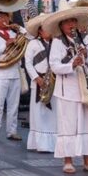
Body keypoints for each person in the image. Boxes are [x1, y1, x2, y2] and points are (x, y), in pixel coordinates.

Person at [46, 0, 88, 174]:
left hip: (87, 87)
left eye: (73, 21)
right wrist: (72, 65)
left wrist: (86, 55)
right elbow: (54, 66)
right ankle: (68, 160)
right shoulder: (58, 42)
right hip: (68, 88)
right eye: (67, 22)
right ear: (61, 25)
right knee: (69, 124)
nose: (71, 24)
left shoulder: (87, 38)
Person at [0, 9, 24, 141]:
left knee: (14, 105)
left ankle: (11, 131)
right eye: (0, 17)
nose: (4, 20)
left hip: (14, 73)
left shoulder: (15, 33)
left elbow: (27, 37)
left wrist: (19, 29)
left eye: (6, 17)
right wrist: (5, 45)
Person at [23, 14, 55, 153]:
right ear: (40, 31)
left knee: (54, 112)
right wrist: (37, 78)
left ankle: (53, 143)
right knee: (39, 113)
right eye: (45, 28)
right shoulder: (33, 43)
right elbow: (28, 63)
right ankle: (40, 144)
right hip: (38, 81)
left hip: (54, 80)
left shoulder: (57, 43)